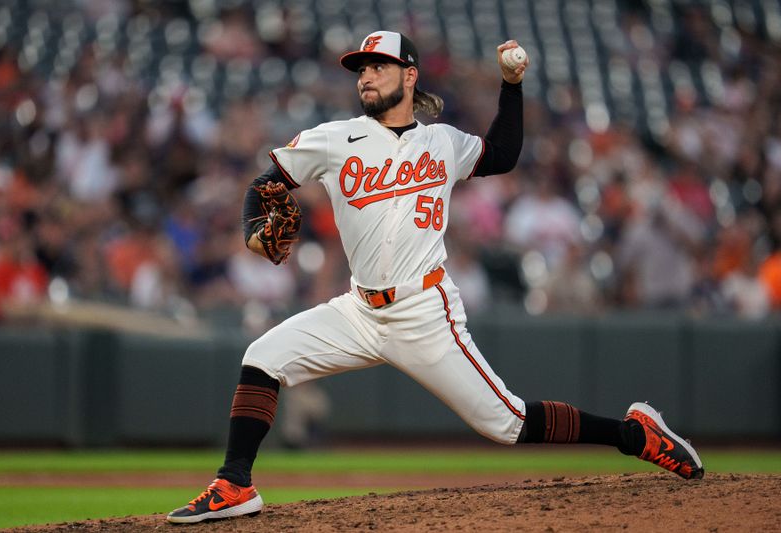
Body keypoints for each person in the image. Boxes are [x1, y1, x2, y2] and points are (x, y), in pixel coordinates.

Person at [167, 32, 704, 524]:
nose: (367, 76)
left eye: (379, 65)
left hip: (424, 311)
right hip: (358, 309)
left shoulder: (443, 142)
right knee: (263, 356)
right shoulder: (334, 139)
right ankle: (235, 482)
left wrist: (512, 86)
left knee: (507, 423)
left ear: (410, 75)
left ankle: (635, 434)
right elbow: (266, 183)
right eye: (361, 68)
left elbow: (501, 155)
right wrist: (253, 226)